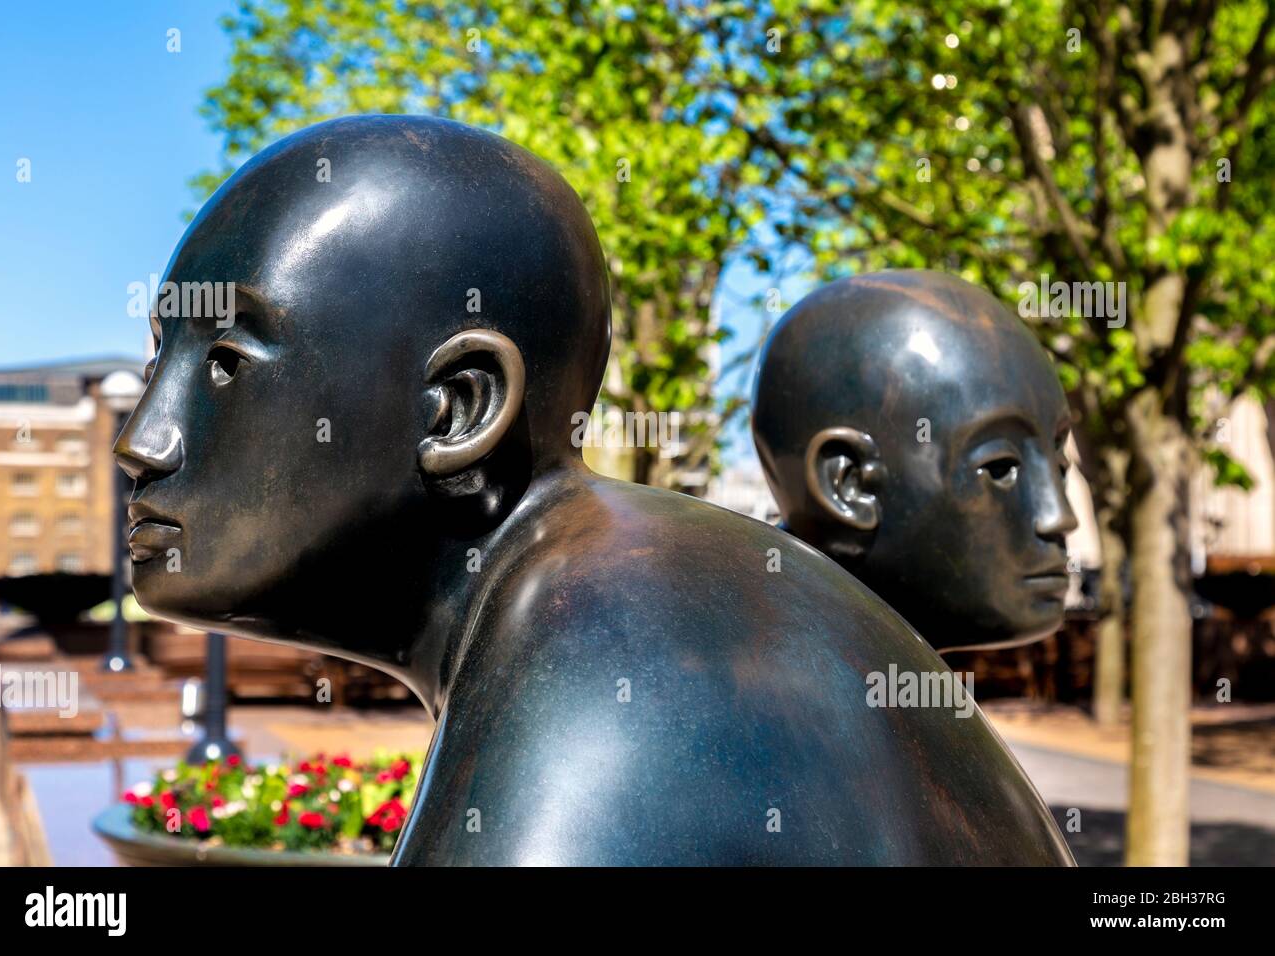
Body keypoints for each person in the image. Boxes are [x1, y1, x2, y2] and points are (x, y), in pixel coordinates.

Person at [116, 117, 1071, 864]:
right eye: (162, 359)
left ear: (457, 410)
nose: (141, 441)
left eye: (227, 364)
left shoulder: (608, 649)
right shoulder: (639, 595)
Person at [752, 270, 1079, 651]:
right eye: (1000, 467)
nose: (1059, 516)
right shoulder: (744, 703)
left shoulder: (844, 695)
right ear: (849, 484)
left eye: (1059, 466)